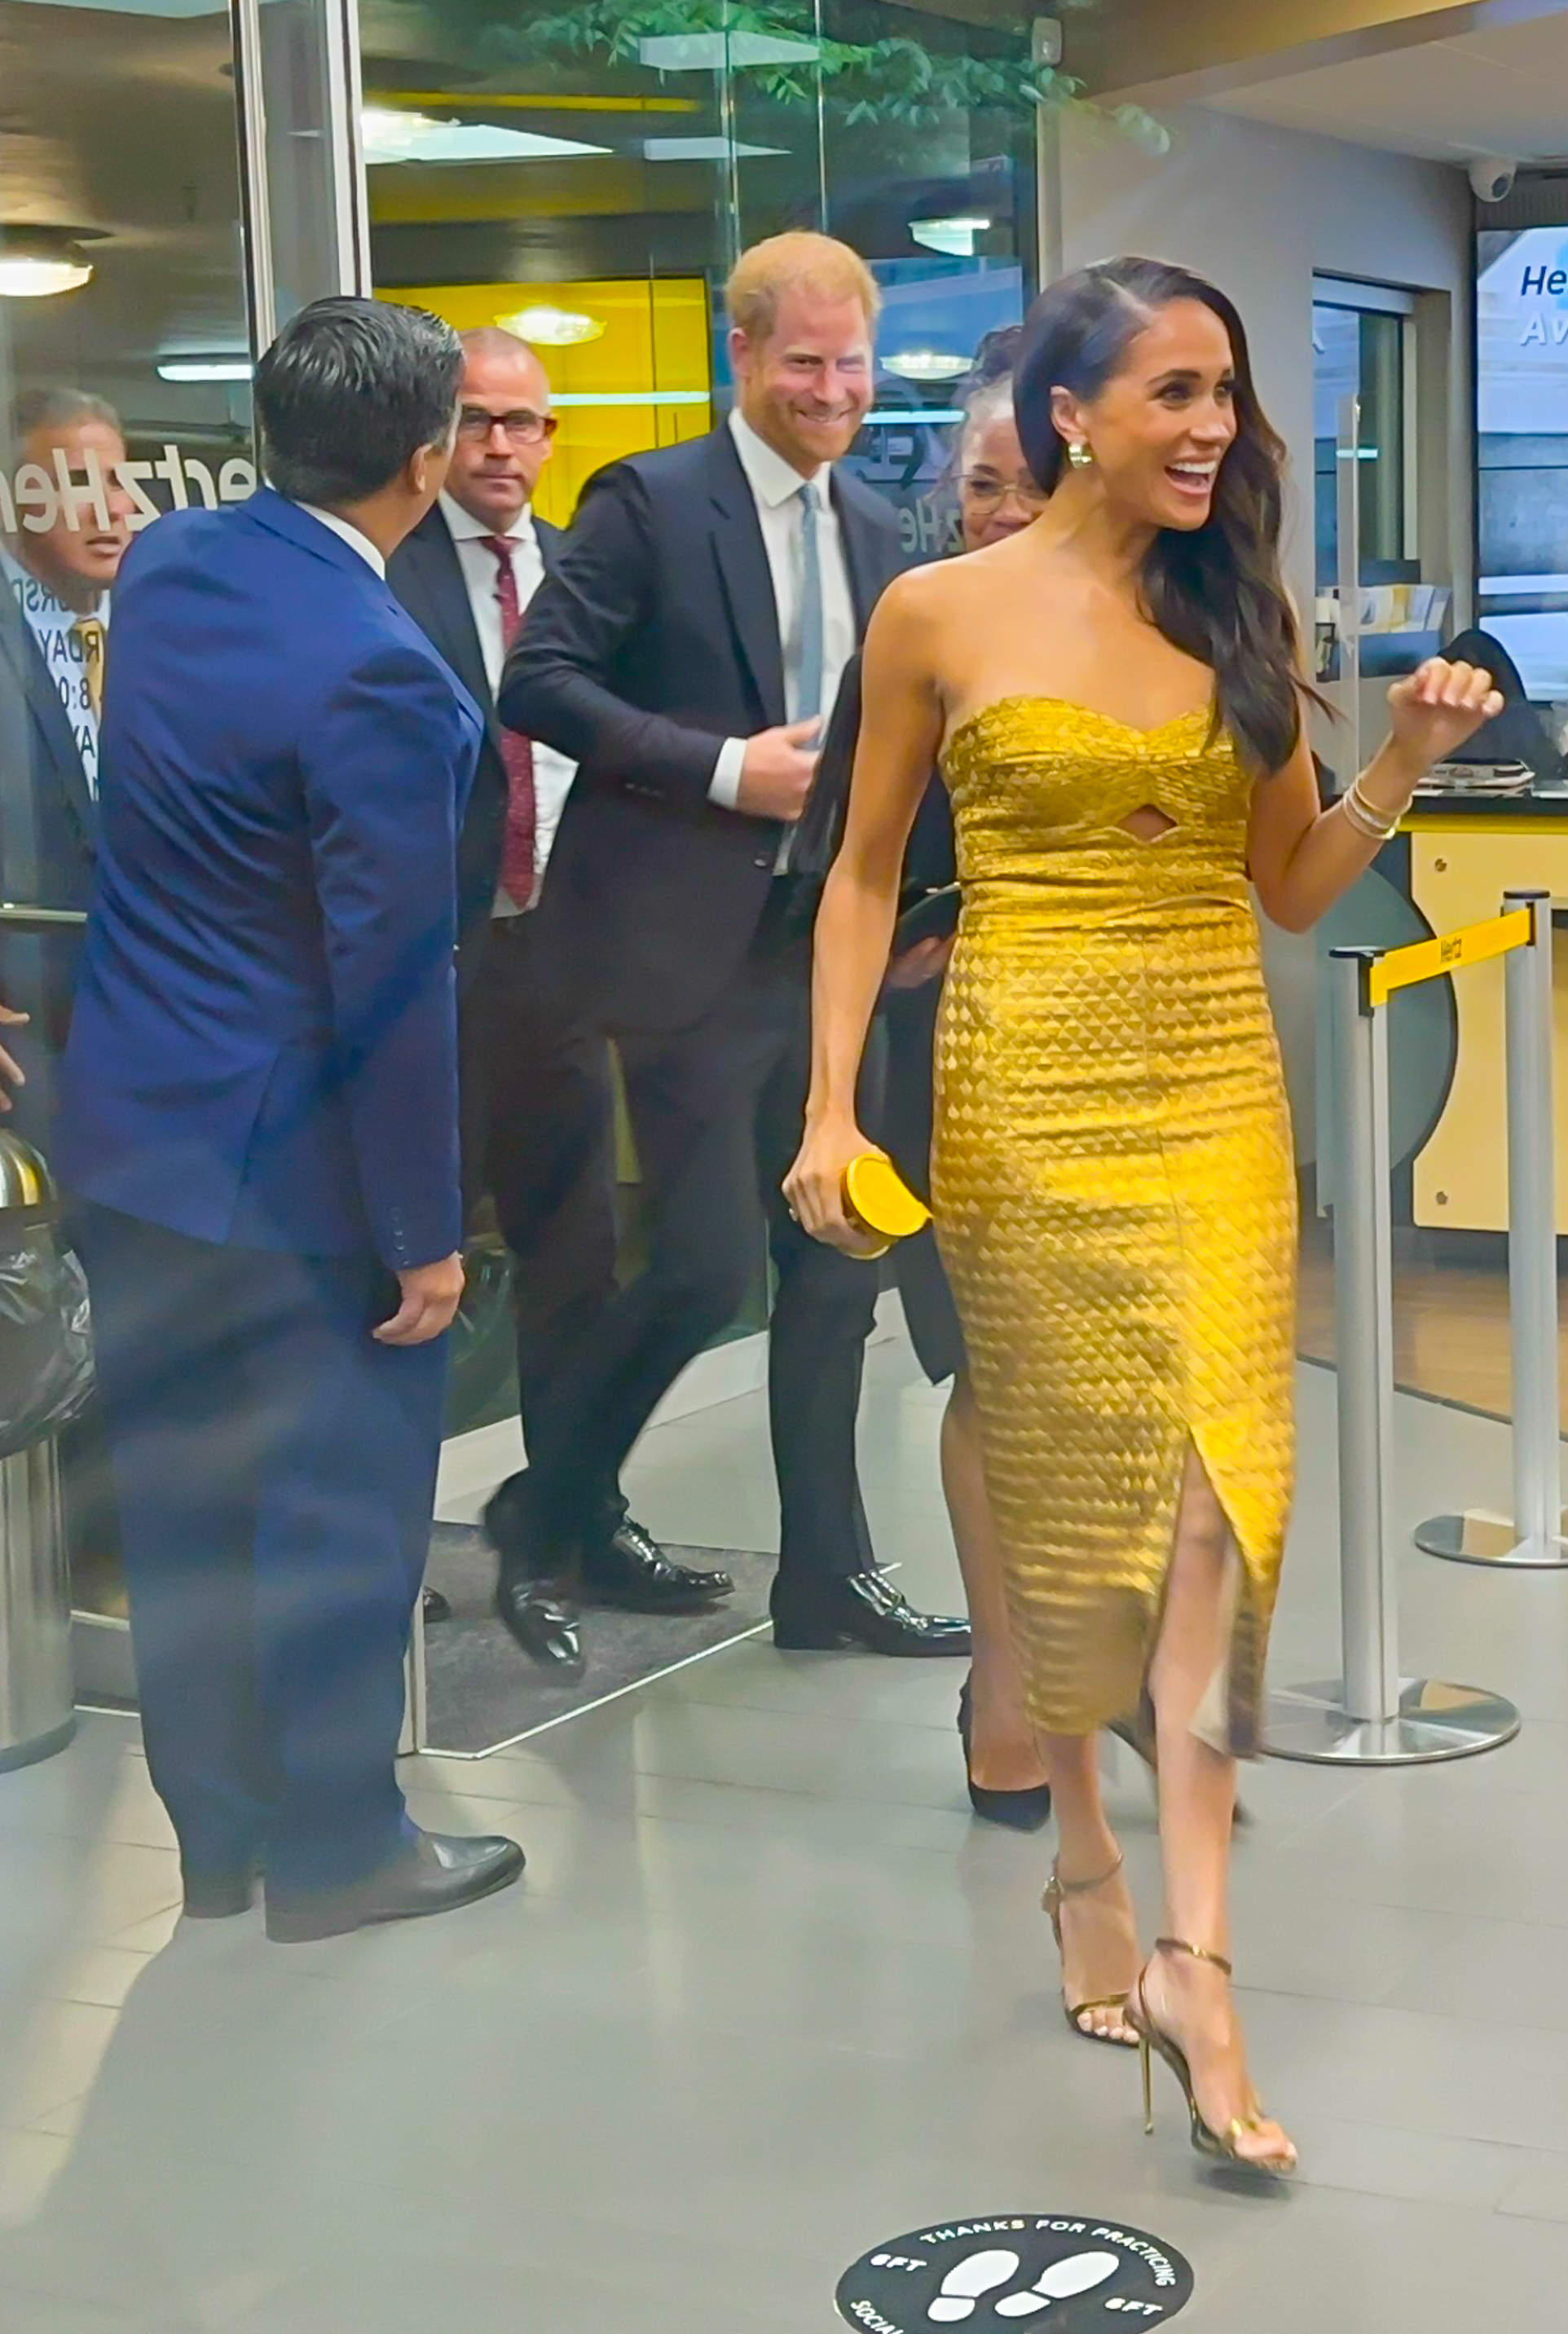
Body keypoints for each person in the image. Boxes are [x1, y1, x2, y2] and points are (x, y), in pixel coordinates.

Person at [788, 256, 1502, 2172]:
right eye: (1173, 391)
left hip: (1211, 1093)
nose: (1208, 428)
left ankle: (1196, 1956)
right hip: (1022, 1081)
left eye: (1225, 393)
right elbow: (860, 876)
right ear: (1069, 413)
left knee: (1210, 1505)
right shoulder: (936, 612)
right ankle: (1084, 1864)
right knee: (1061, 1492)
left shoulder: (1233, 611)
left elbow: (1290, 883)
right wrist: (827, 1103)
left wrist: (1401, 768)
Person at [58, 297, 524, 1942]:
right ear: (425, 458)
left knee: (182, 1505)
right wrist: (423, 1240)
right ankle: (338, 1849)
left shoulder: (178, 567)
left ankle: (219, 1839)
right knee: (335, 1515)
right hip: (296, 1175)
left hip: (136, 1136)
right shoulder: (385, 676)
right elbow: (391, 984)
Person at [498, 231, 967, 1663]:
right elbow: (538, 681)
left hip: (825, 953)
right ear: (743, 354)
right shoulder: (649, 502)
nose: (834, 393)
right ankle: (550, 1504)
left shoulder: (877, 534)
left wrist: (919, 908)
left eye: (853, 365)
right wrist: (721, 769)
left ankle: (823, 1578)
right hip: (680, 949)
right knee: (704, 1266)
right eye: (807, 363)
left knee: (838, 1270)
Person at [389, 328, 725, 1671]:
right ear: (433, 435)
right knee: (410, 1268)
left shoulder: (577, 569)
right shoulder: (392, 573)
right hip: (437, 965)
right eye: (477, 422)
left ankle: (575, 1520)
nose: (504, 449)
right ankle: (389, 1546)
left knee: (576, 1263)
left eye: (527, 424)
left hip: (568, 957)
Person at [794, 330, 1050, 1822]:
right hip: (948, 1064)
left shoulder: (1157, 630)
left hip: (1128, 1063)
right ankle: (1005, 1684)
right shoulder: (915, 631)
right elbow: (848, 864)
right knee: (995, 1382)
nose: (996, 514)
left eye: (1025, 488)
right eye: (979, 486)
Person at [0, 390, 136, 1150]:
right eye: (76, 487)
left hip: (154, 1037)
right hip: (25, 1044)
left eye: (117, 483)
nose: (109, 510)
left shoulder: (159, 625)